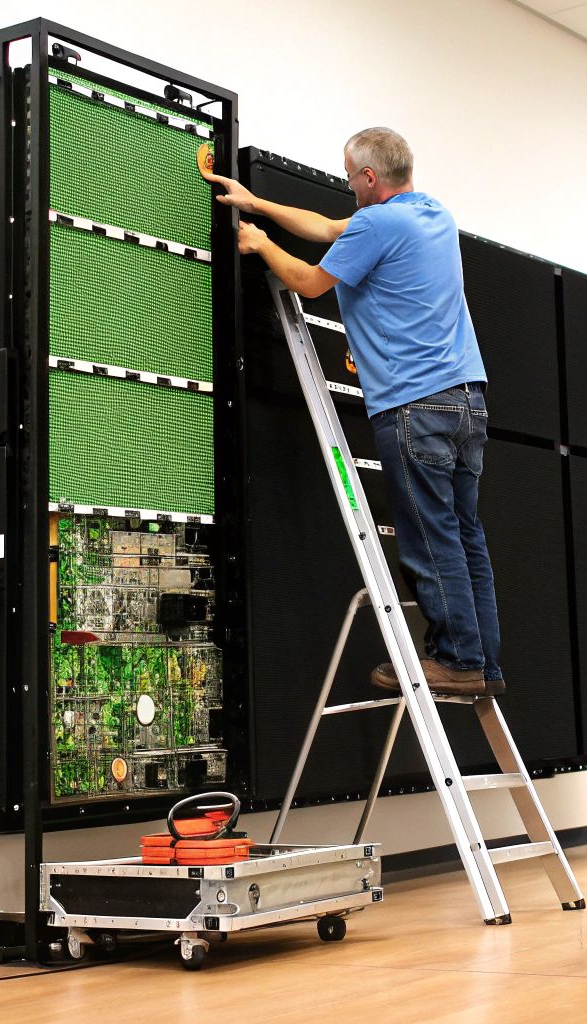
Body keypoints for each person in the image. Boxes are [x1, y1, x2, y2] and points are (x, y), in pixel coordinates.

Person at [202, 128, 503, 697]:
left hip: (414, 404)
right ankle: (485, 664)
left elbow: (309, 283)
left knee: (430, 537)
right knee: (466, 535)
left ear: (369, 177)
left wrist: (260, 244)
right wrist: (257, 203)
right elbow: (327, 227)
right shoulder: (433, 216)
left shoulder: (377, 224)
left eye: (349, 176)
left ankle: (457, 660)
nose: (347, 185)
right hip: (467, 403)